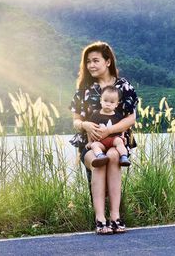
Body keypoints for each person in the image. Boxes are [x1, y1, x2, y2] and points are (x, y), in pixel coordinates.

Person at [69, 41, 138, 235]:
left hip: (116, 141)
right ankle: (100, 219)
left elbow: (131, 118)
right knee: (99, 163)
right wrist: (85, 125)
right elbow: (75, 120)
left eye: (95, 60)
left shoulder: (124, 86)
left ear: (108, 62)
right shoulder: (84, 90)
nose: (91, 65)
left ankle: (115, 217)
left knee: (115, 157)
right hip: (92, 145)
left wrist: (109, 131)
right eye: (88, 61)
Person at [85, 85, 131, 167]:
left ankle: (124, 157)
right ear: (100, 100)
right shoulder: (95, 115)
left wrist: (123, 137)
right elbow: (90, 130)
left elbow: (122, 128)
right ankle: (100, 156)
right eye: (105, 101)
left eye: (112, 102)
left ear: (117, 104)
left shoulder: (118, 116)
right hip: (100, 141)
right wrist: (90, 141)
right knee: (94, 145)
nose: (108, 104)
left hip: (113, 140)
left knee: (120, 142)